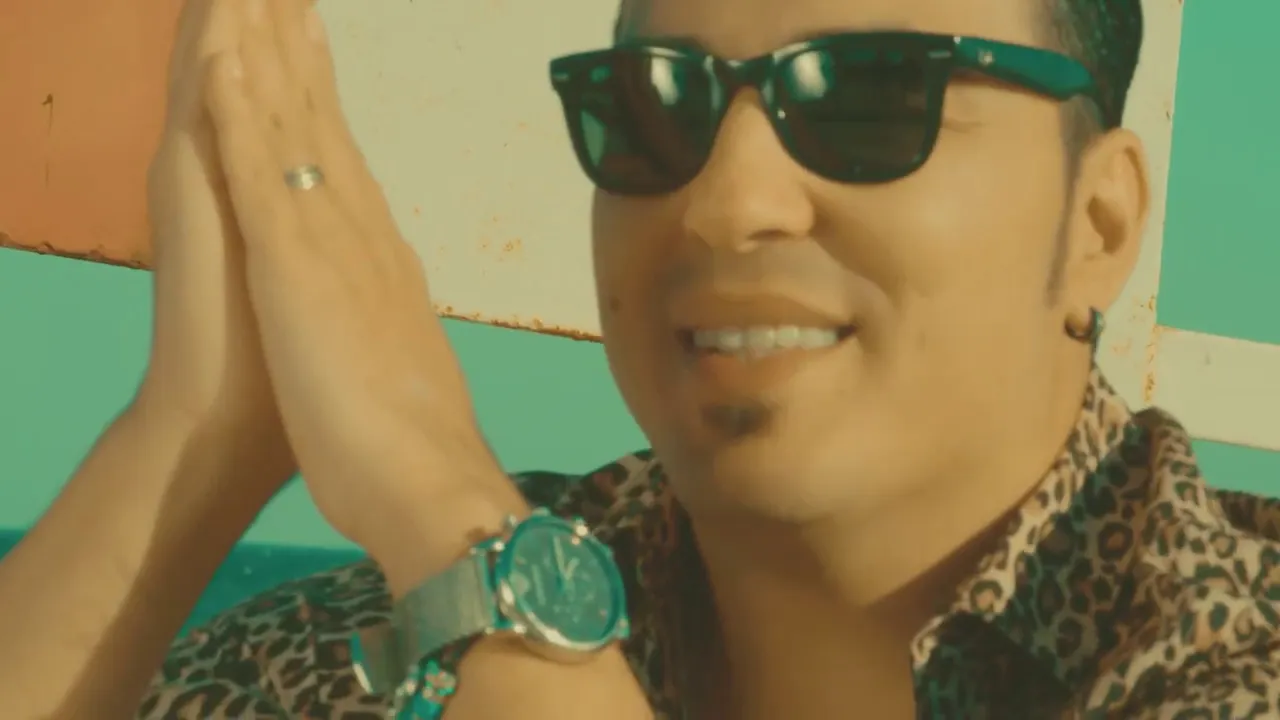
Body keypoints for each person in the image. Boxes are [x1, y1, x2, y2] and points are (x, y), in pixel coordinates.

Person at [2, 0, 1278, 717]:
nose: (726, 202)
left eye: (869, 98)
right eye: (655, 104)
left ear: (1098, 223)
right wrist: (188, 440)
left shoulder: (1233, 660)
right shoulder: (413, 629)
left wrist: (462, 527)